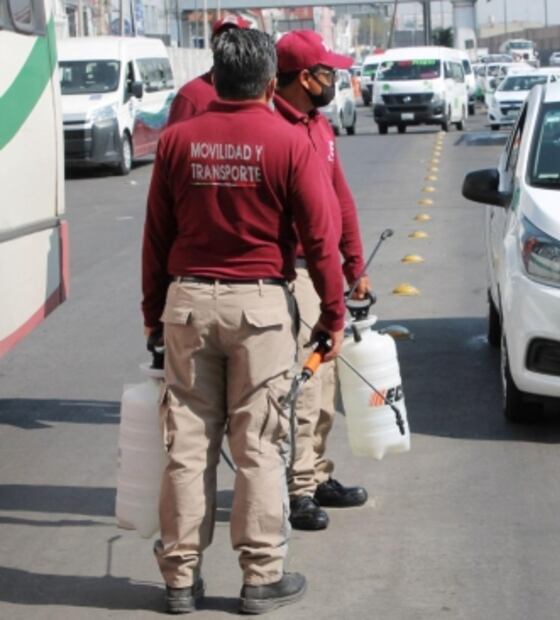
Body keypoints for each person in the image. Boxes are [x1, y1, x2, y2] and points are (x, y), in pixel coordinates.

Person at [141, 29, 345, 614]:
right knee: (258, 442)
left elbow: (156, 237)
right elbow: (320, 239)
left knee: (188, 444)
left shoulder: (177, 142)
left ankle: (180, 580)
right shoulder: (288, 142)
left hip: (187, 304)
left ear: (218, 78)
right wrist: (332, 315)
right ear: (268, 82)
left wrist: (152, 314)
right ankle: (261, 576)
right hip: (260, 309)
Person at [273, 30, 370, 532]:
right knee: (304, 385)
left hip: (323, 270)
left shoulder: (320, 125)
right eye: (329, 72)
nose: (336, 80)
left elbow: (340, 198)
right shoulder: (274, 128)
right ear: (305, 78)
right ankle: (297, 489)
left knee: (326, 380)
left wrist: (355, 265)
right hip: (293, 271)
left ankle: (316, 472)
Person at [166, 14, 252, 125]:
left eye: (237, 39)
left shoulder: (259, 93)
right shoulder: (190, 96)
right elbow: (174, 135)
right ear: (212, 45)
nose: (229, 46)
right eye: (223, 38)